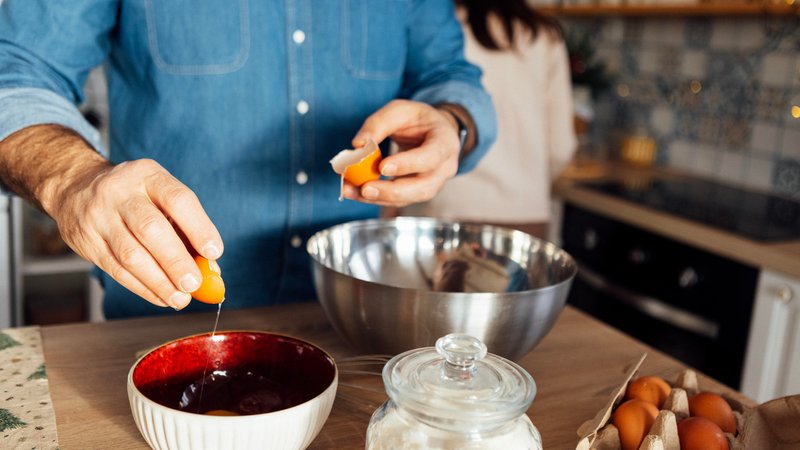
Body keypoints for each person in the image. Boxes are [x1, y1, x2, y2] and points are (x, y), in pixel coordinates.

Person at [0, 1, 497, 319]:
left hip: (354, 324)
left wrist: (452, 122)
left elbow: (449, 73)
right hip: (161, 326)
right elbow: (17, 69)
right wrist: (72, 179)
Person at [402, 0, 576, 240]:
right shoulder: (544, 37)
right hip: (526, 211)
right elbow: (561, 146)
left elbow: (410, 124)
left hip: (446, 206)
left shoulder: (438, 29)